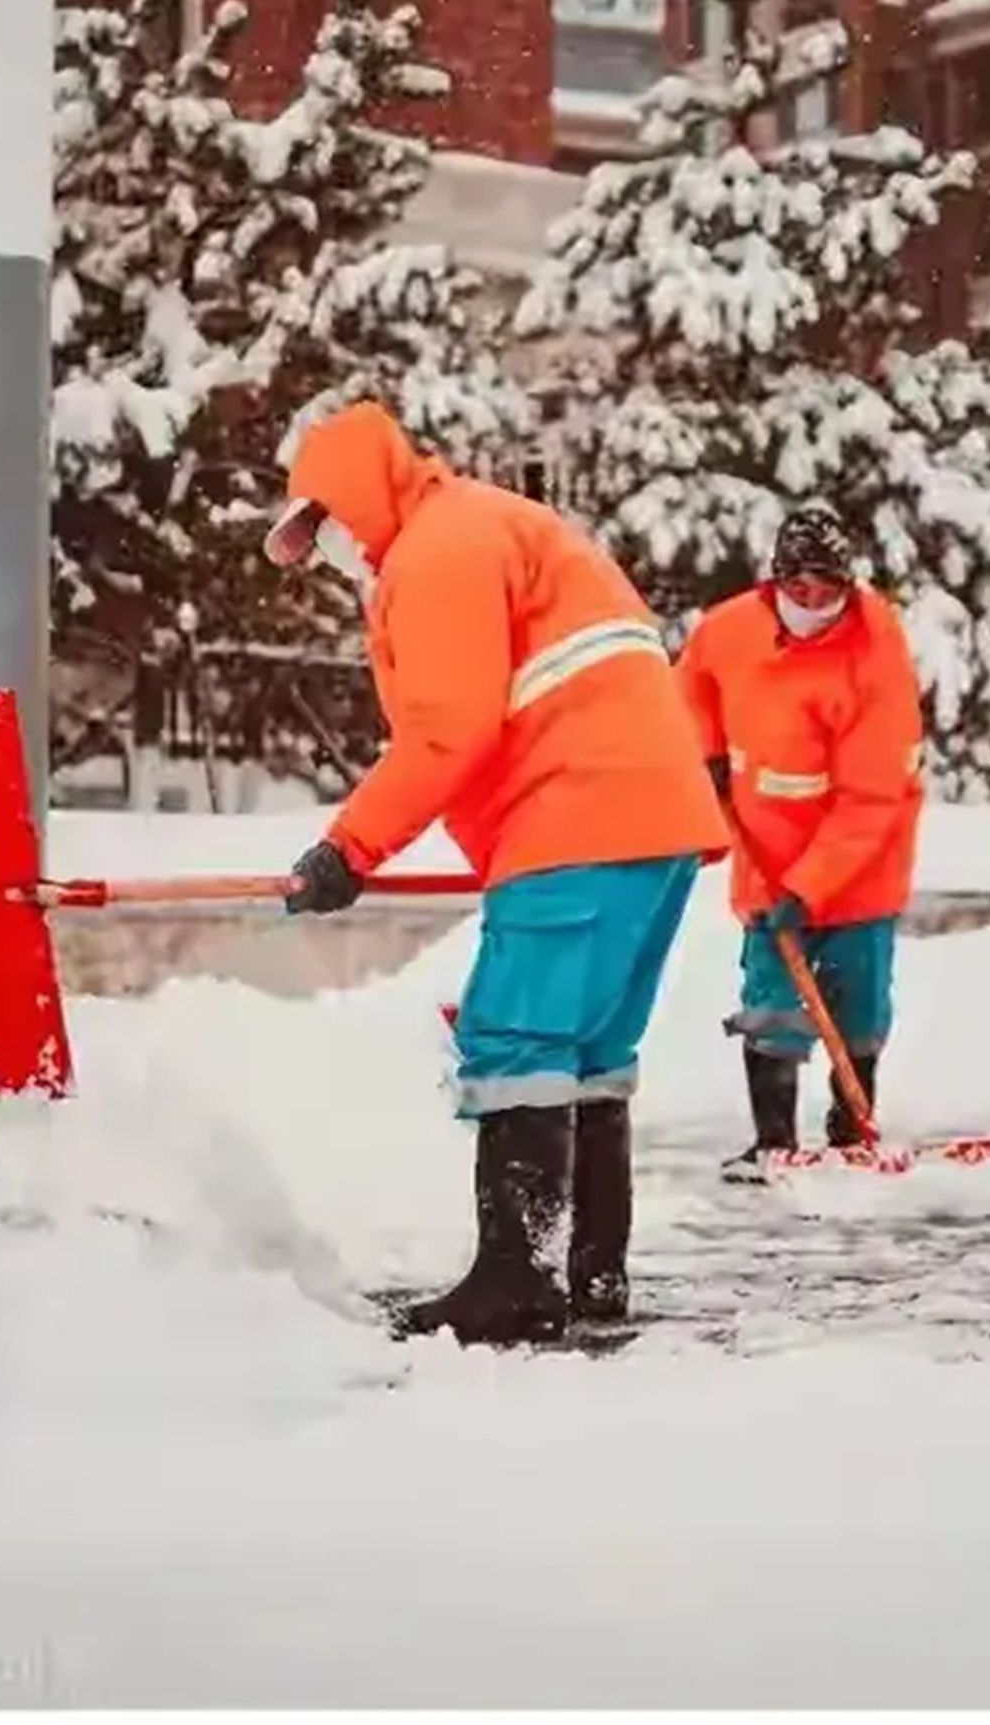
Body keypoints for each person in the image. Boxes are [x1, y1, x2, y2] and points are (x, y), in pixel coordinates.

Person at [264, 402, 726, 1345]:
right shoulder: (487, 523)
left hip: (578, 814)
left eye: (327, 525)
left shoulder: (438, 551)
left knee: (514, 1035)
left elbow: (448, 729)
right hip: (649, 817)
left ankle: (517, 1284)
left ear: (353, 499)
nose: (336, 553)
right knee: (586, 1050)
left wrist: (349, 848)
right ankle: (590, 1271)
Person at [674, 503, 927, 1176]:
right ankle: (773, 1139)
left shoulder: (875, 656)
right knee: (770, 1003)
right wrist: (706, 757)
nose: (810, 603)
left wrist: (809, 886)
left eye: (826, 590)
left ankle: (851, 1129)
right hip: (765, 853)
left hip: (862, 865)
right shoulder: (729, 631)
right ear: (773, 582)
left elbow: (872, 797)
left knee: (858, 1003)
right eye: (796, 588)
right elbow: (689, 690)